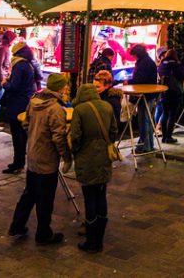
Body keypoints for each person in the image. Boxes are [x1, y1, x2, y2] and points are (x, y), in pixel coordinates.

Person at [8, 73, 72, 245]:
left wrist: (34, 138)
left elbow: (26, 124)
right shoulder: (55, 109)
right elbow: (58, 137)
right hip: (47, 158)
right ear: (60, 87)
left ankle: (17, 225)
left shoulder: (33, 101)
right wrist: (67, 157)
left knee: (29, 193)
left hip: (34, 155)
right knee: (45, 198)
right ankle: (43, 233)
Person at [70, 80, 115, 253]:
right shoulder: (107, 107)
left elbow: (75, 136)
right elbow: (113, 130)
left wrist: (75, 152)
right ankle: (100, 239)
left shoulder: (79, 110)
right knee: (101, 195)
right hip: (104, 156)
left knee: (89, 197)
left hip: (86, 157)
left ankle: (91, 241)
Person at [0, 41, 38, 174]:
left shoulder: (20, 65)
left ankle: (18, 163)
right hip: (25, 102)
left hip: (17, 104)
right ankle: (19, 162)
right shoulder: (28, 63)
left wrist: (5, 83)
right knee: (22, 134)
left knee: (18, 135)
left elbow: (14, 86)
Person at [128, 43, 158, 154]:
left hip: (144, 94)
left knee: (144, 120)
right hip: (148, 95)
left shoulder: (144, 63)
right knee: (147, 119)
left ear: (137, 54)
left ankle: (145, 146)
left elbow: (140, 79)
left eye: (134, 55)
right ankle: (147, 144)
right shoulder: (148, 61)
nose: (134, 57)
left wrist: (129, 81)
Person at [157, 48, 184, 144]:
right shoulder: (176, 64)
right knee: (172, 115)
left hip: (164, 92)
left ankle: (164, 137)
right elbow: (182, 75)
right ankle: (169, 136)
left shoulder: (161, 64)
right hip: (174, 92)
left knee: (165, 114)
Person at [93, 70, 125, 135]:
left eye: (98, 87)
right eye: (94, 87)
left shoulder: (112, 101)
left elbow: (115, 124)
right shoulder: (98, 96)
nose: (95, 89)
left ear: (107, 86)